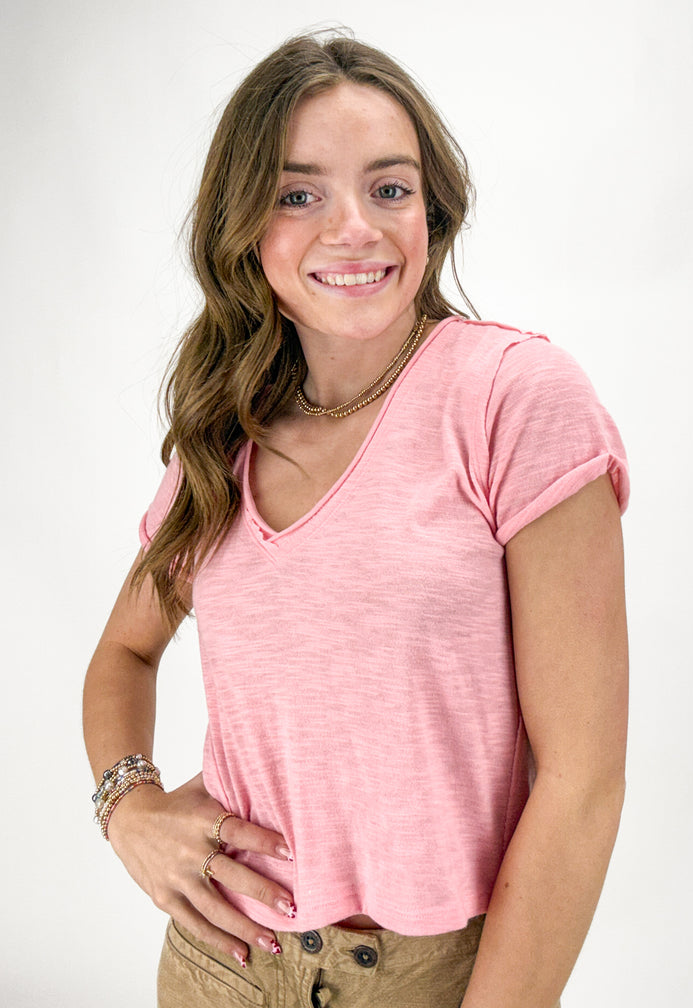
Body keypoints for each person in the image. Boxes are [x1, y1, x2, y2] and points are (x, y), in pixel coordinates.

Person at [83, 30, 629, 1008]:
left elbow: (582, 785)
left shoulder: (512, 399)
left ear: (431, 210)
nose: (355, 228)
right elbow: (125, 651)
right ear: (244, 228)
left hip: (434, 975)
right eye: (299, 195)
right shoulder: (228, 433)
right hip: (220, 964)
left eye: (389, 188)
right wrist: (129, 808)